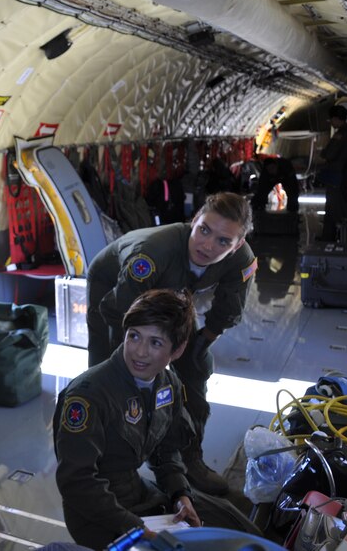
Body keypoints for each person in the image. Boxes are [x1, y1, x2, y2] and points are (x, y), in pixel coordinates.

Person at [54, 289, 261, 549]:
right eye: (134, 336)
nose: (139, 352)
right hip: (96, 513)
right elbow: (77, 483)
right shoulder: (88, 396)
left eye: (155, 343)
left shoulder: (168, 384)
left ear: (178, 349)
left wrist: (180, 494)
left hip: (140, 494)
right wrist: (134, 527)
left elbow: (166, 451)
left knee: (234, 526)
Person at [85, 192, 256, 495]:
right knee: (109, 376)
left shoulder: (241, 260)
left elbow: (227, 312)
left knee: (196, 366)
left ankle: (189, 460)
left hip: (172, 292)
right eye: (204, 230)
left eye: (223, 241)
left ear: (237, 244)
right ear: (194, 221)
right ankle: (103, 465)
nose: (207, 245)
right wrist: (152, 358)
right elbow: (121, 313)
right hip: (114, 295)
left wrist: (195, 346)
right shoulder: (152, 254)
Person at [317, 104, 347, 241]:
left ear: (336, 118)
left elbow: (329, 154)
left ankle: (345, 239)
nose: (331, 123)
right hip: (340, 176)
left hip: (336, 177)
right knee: (332, 209)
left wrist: (323, 152)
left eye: (331, 120)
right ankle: (328, 237)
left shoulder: (342, 134)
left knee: (337, 210)